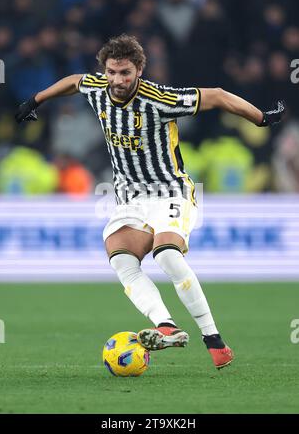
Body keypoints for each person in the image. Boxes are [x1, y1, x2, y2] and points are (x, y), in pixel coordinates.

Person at [15, 34, 285, 369]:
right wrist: (35, 101)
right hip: (130, 199)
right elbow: (73, 82)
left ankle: (213, 340)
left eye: (125, 72)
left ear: (139, 69)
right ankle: (167, 326)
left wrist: (259, 117)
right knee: (120, 257)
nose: (117, 80)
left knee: (167, 254)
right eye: (112, 72)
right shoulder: (97, 87)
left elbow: (215, 95)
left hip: (171, 190)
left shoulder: (158, 98)